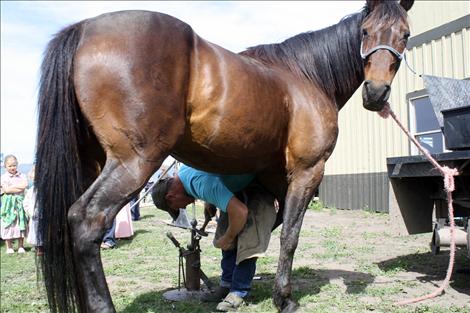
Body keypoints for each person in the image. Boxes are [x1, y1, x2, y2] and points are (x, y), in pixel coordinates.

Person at [152, 164, 255, 311]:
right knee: (226, 232)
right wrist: (210, 200)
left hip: (254, 184)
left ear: (171, 197)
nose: (186, 206)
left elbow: (240, 212)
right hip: (236, 189)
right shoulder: (184, 173)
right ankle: (226, 286)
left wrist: (228, 238)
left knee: (248, 241)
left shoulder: (197, 183)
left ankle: (238, 292)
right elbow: (212, 176)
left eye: (179, 207)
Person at [1, 155, 29, 254]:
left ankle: (21, 245)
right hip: (8, 205)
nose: (12, 168)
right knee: (8, 224)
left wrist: (12, 188)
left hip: (20, 203)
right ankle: (9, 247)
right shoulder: (3, 177)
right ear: (5, 166)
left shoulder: (22, 175)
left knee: (20, 222)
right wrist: (18, 187)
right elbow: (6, 190)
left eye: (14, 165)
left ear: (17, 165)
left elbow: (25, 185)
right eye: (10, 166)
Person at [23, 165, 43, 256]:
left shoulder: (44, 190)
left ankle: (42, 246)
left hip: (43, 215)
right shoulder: (31, 191)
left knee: (42, 231)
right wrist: (29, 211)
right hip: (34, 215)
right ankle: (38, 247)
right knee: (35, 231)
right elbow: (26, 202)